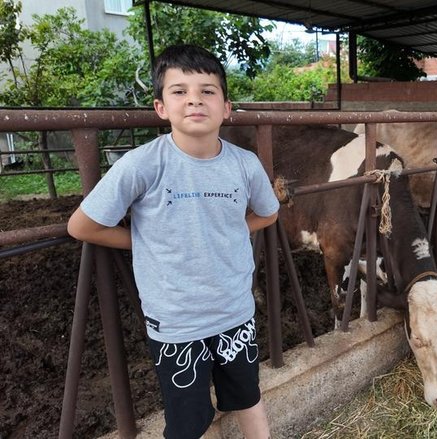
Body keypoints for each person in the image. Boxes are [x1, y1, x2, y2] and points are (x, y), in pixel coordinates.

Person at [68, 44, 279, 439]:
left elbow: (268, 213)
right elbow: (82, 226)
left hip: (235, 312)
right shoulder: (142, 164)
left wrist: (231, 231)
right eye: (179, 91)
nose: (195, 100)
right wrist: (145, 241)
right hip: (178, 322)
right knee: (188, 421)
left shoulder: (244, 164)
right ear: (161, 107)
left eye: (208, 91)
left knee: (248, 395)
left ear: (227, 107)